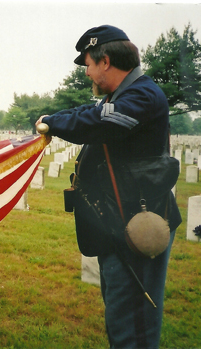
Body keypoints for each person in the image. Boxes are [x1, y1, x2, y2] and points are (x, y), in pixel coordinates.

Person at [36, 25, 181, 348]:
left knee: (134, 327)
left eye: (88, 64)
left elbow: (100, 120)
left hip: (136, 228)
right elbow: (93, 114)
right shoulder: (126, 95)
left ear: (105, 61)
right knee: (121, 317)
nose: (87, 73)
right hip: (118, 225)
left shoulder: (143, 94)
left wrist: (53, 120)